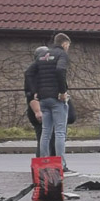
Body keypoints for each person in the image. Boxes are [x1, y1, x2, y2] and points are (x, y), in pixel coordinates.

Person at [26, 33, 76, 175]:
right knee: (60, 132)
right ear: (65, 43)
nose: (68, 48)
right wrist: (62, 92)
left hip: (43, 99)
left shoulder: (43, 55)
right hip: (56, 99)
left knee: (46, 131)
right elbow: (60, 70)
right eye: (68, 45)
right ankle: (62, 165)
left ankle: (44, 163)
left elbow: (29, 72)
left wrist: (35, 91)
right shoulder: (61, 55)